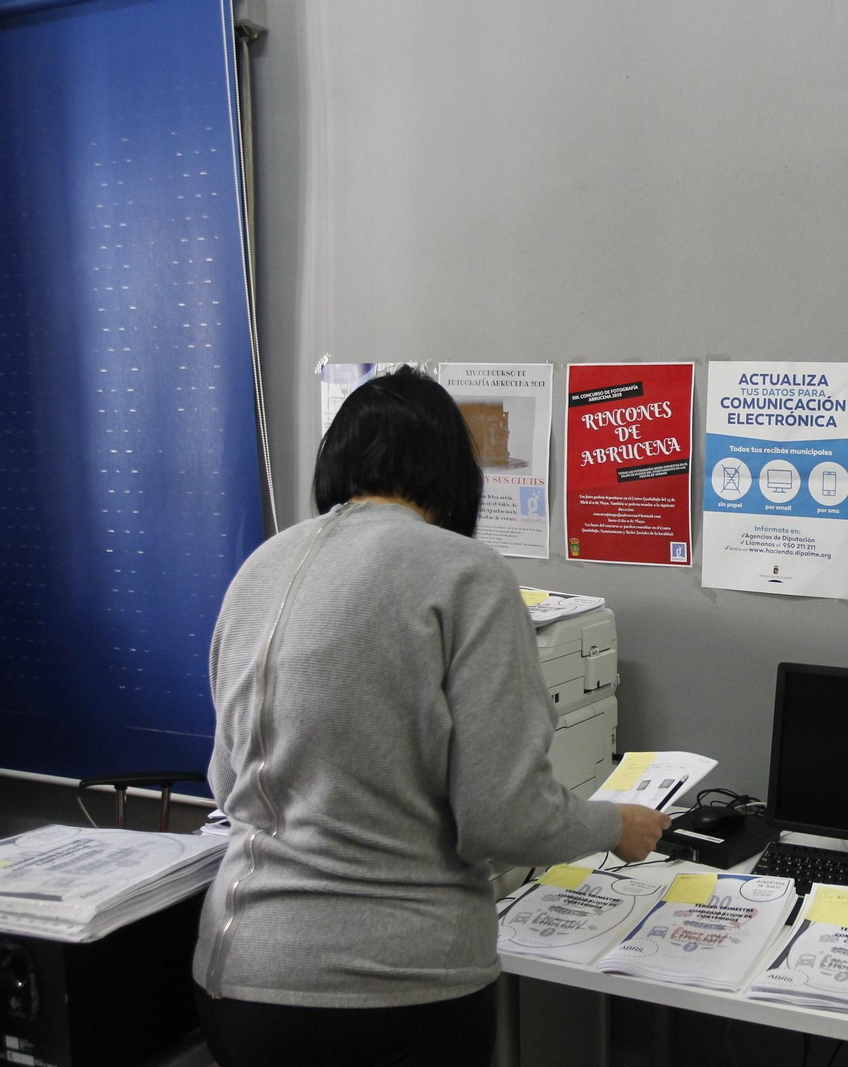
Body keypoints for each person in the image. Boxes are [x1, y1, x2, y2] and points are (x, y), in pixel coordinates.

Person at [192, 367, 670, 1067]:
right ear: (454, 471)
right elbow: (504, 817)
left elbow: (228, 778)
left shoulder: (259, 567)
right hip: (393, 991)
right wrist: (615, 825)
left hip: (237, 979)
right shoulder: (464, 571)